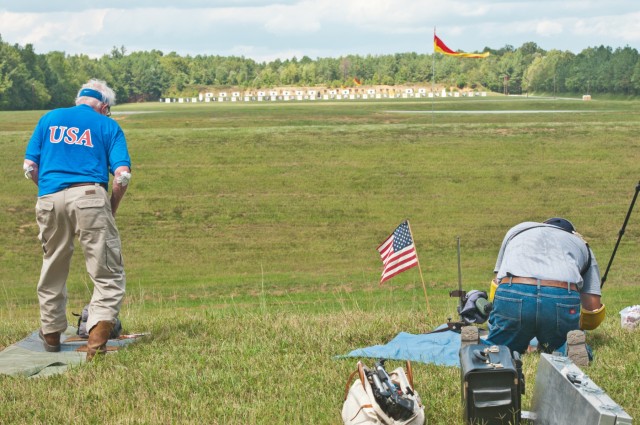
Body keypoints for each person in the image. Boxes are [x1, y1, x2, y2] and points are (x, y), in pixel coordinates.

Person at [23, 79, 131, 361]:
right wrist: (111, 206)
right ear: (104, 107)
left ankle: (50, 334)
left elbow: (30, 166)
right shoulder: (108, 125)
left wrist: (50, 193)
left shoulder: (49, 118)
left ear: (79, 99)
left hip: (49, 197)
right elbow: (121, 176)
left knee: (53, 264)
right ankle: (96, 342)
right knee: (107, 270)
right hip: (90, 196)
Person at [485, 217, 605, 366]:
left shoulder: (518, 230)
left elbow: (497, 284)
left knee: (498, 348)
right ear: (572, 233)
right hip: (561, 295)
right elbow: (593, 309)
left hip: (515, 289)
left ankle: (493, 349)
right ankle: (567, 348)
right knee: (560, 340)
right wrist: (579, 324)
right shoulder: (582, 244)